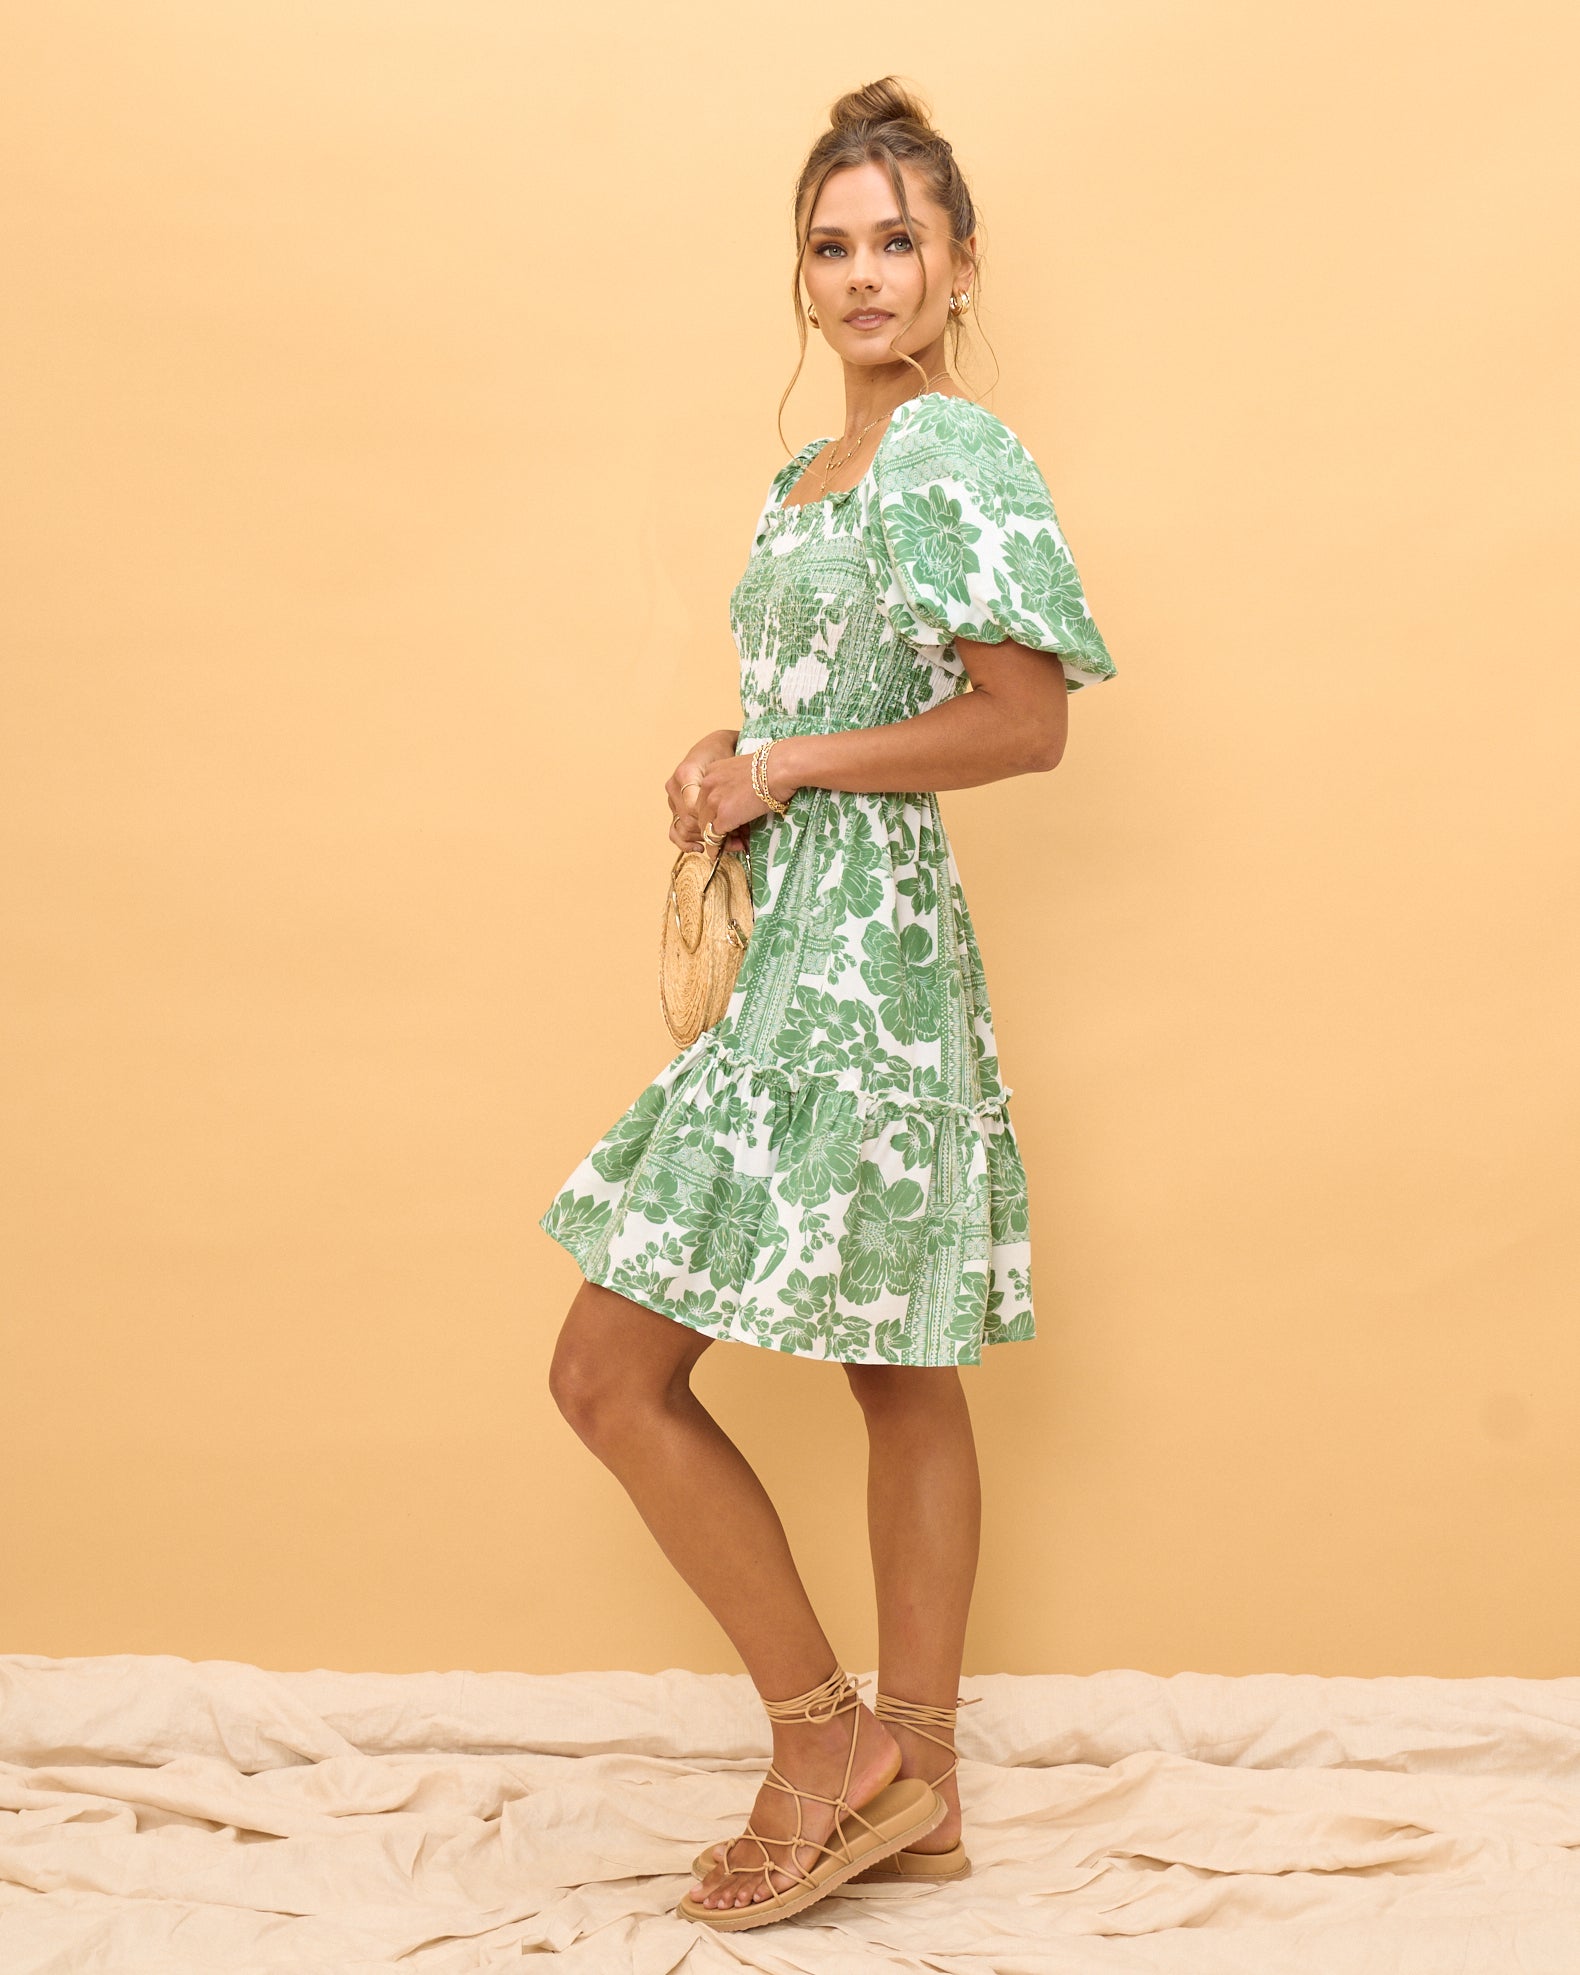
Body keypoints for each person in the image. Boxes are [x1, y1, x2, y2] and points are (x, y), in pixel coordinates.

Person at [539, 74, 1117, 1933]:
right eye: (833, 245)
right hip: (806, 936)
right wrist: (736, 749)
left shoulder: (957, 454)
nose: (865, 275)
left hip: (870, 963)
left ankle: (828, 1749)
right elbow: (838, 703)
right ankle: (918, 1787)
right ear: (803, 275)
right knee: (897, 1354)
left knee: (614, 1370)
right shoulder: (806, 479)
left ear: (959, 266)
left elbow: (1022, 723)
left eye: (897, 242)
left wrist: (785, 769)